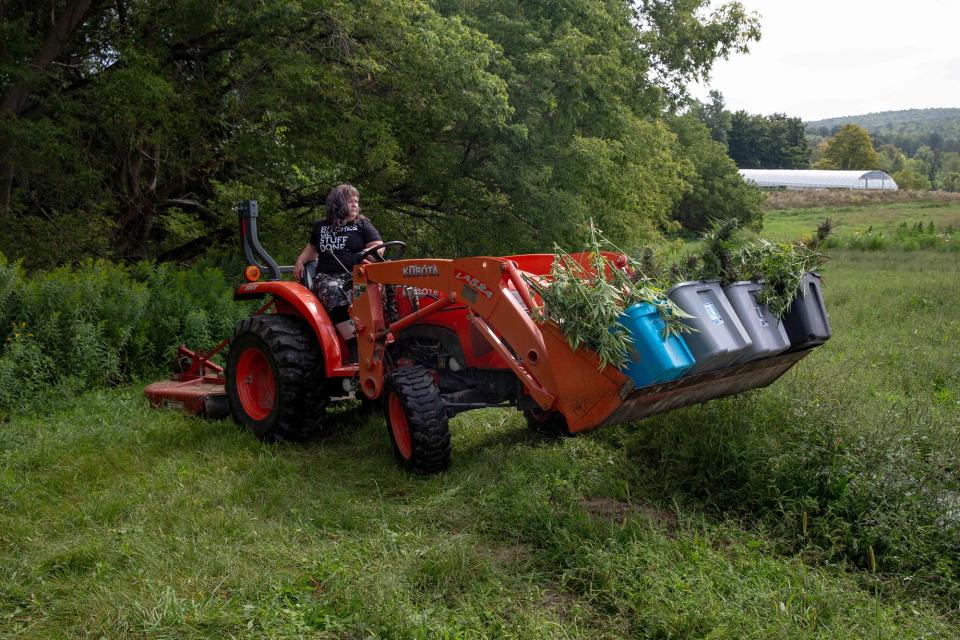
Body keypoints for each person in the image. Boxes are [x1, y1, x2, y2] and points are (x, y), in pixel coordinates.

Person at [292, 184, 383, 322]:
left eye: (356, 202)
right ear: (338, 203)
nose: (355, 205)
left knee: (383, 292)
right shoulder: (321, 226)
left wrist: (365, 253)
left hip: (357, 276)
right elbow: (312, 249)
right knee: (336, 292)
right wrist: (300, 261)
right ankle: (352, 338)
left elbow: (378, 247)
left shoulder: (363, 224)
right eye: (350, 201)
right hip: (327, 277)